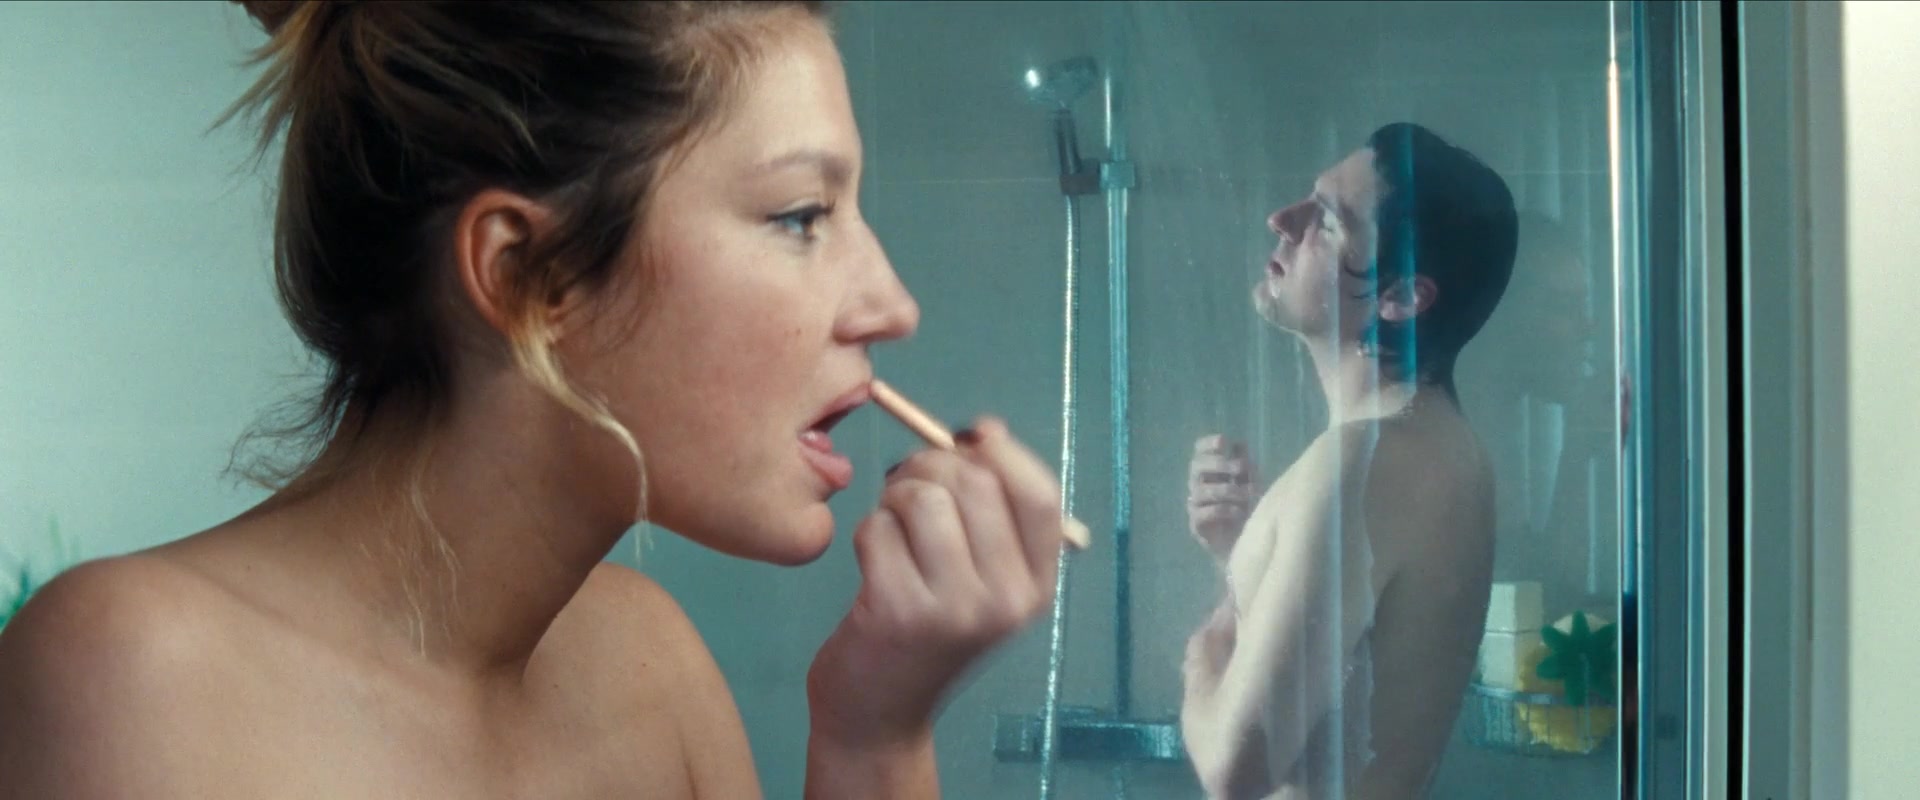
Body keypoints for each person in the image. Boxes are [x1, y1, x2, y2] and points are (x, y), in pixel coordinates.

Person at [0, 3, 1072, 798]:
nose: (891, 303)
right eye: (801, 216)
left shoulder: (653, 670)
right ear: (526, 277)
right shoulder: (133, 673)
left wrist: (875, 737)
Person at [1179, 122, 1518, 799]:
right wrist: (1242, 559)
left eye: (1328, 221)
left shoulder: (1361, 461)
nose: (1283, 220)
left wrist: (1203, 651)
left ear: (1402, 297)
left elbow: (1235, 769)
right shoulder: (1439, 443)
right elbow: (1356, 681)